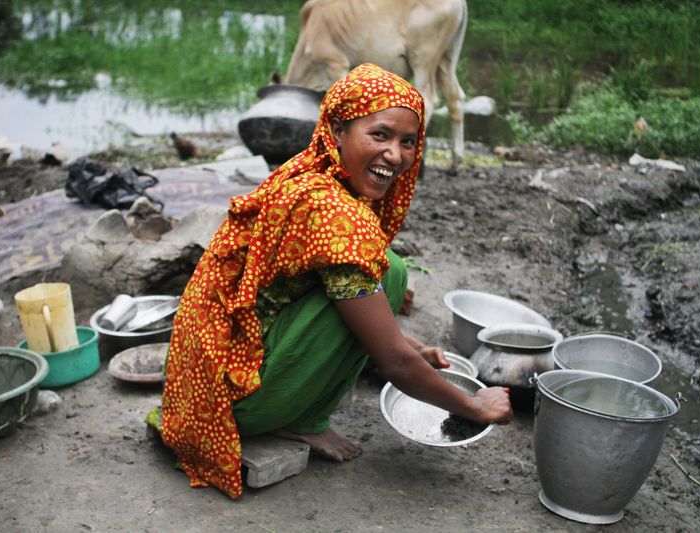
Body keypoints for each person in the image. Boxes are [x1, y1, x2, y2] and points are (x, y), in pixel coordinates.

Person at [148, 63, 512, 499]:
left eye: (408, 142)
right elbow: (394, 363)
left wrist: (410, 345)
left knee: (385, 269)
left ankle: (290, 408)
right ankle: (292, 419)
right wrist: (475, 405)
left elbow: (313, 292)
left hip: (206, 381)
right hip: (227, 406)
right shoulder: (334, 213)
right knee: (382, 272)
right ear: (338, 131)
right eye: (379, 135)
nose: (395, 155)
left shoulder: (311, 172)